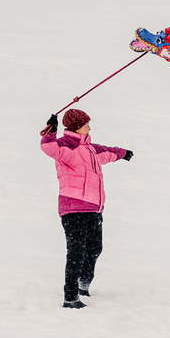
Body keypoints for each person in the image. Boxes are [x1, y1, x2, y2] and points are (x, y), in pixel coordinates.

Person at [40, 108, 133, 308]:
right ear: (76, 127)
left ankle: (84, 282)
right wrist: (50, 131)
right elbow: (48, 148)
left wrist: (123, 153)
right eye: (85, 125)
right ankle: (71, 297)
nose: (89, 127)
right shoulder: (66, 147)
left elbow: (108, 152)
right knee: (76, 252)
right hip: (73, 208)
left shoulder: (91, 148)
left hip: (93, 208)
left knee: (94, 248)